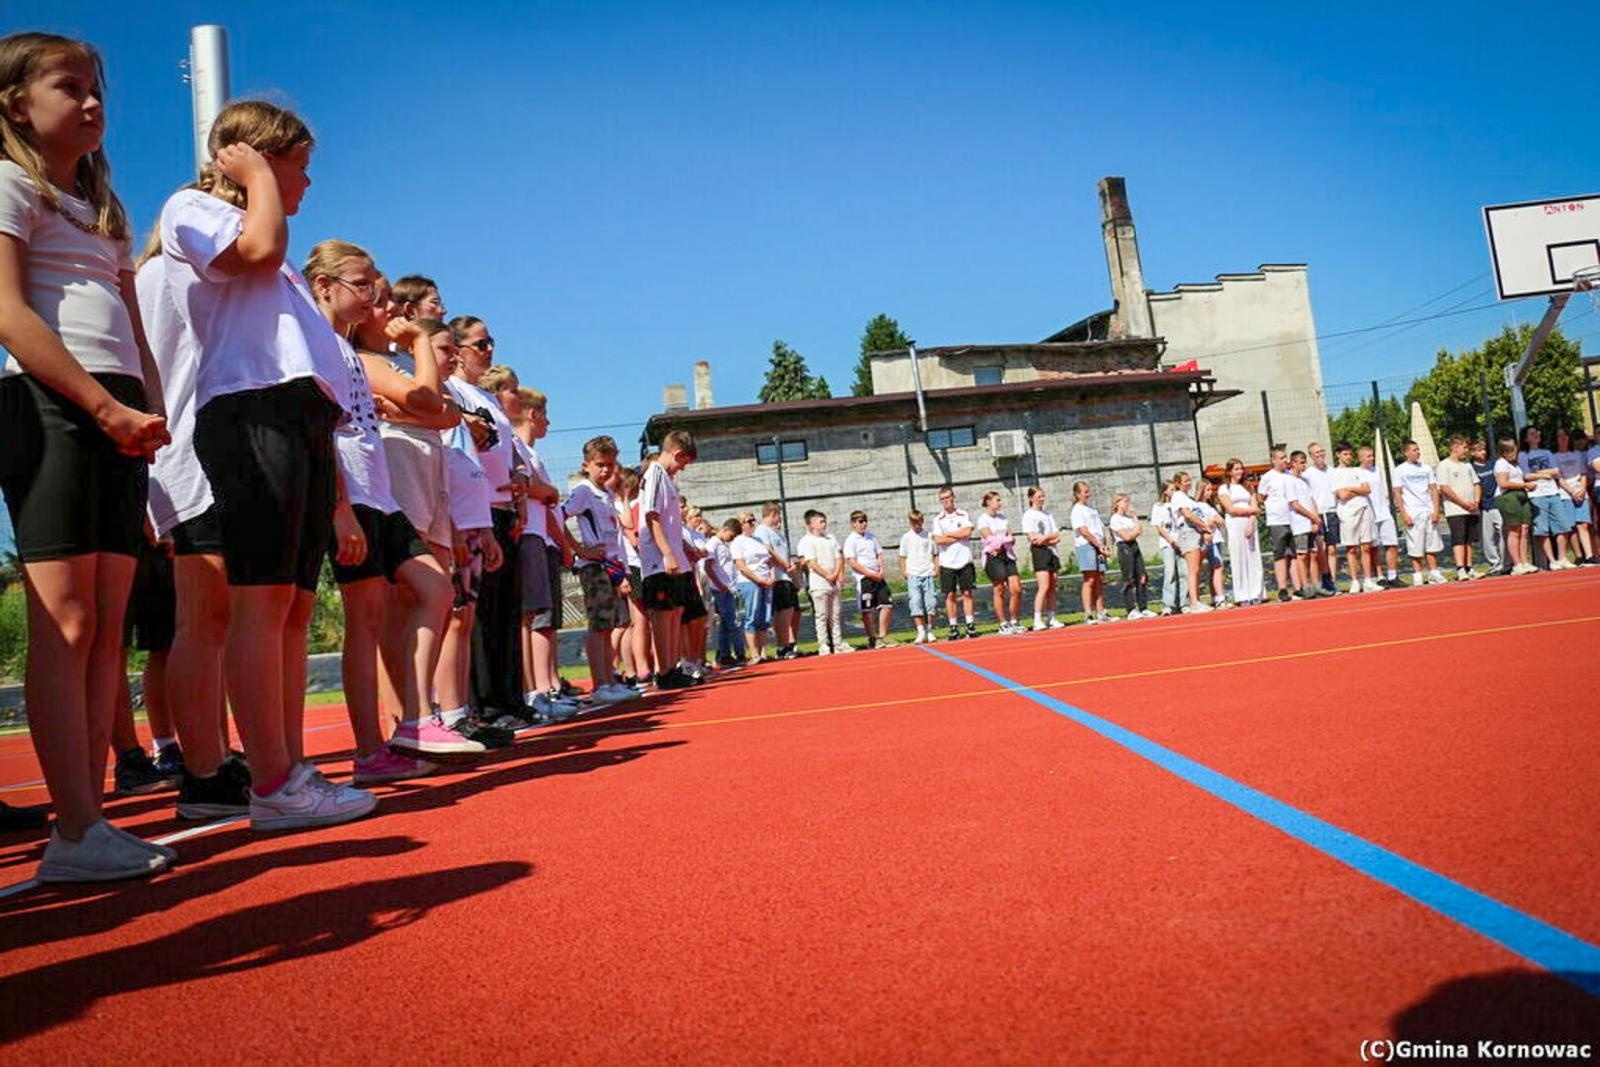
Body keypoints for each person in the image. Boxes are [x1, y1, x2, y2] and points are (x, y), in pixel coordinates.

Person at [159, 98, 374, 832]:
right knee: (258, 602)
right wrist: (256, 181)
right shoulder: (195, 208)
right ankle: (274, 782)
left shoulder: (269, 242)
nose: (307, 184)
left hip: (295, 417)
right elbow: (253, 253)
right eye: (298, 167)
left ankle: (287, 768)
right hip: (251, 411)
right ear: (253, 155)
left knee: (284, 605)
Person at [305, 240, 458, 780]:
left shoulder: (357, 356)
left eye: (383, 291)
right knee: (366, 622)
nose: (380, 301)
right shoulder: (321, 344)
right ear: (327, 287)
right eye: (367, 288)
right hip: (351, 494)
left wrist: (414, 342)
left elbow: (430, 404)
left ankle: (414, 721)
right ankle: (371, 750)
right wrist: (340, 508)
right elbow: (421, 403)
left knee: (437, 589)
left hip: (381, 497)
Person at [136, 237, 242, 816]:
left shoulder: (166, 276)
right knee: (201, 621)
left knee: (212, 621)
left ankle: (217, 758)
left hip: (199, 461)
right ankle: (203, 771)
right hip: (187, 462)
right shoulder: (166, 277)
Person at [447, 317, 529, 722]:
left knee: (505, 612)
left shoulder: (490, 400)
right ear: (458, 350)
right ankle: (482, 705)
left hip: (502, 509)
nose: (489, 350)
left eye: (491, 342)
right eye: (480, 344)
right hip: (473, 510)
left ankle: (511, 698)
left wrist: (519, 478)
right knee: (477, 614)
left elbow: (512, 450)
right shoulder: (452, 392)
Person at [564, 435, 642, 705]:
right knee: (598, 626)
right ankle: (599, 684)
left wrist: (620, 570)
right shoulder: (583, 490)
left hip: (611, 566)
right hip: (593, 566)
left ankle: (610, 678)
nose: (606, 470)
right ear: (587, 465)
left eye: (610, 464)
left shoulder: (607, 493)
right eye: (600, 464)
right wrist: (580, 550)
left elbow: (618, 532)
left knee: (609, 626)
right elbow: (558, 516)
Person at [640, 433, 698, 687]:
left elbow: (670, 522)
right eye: (683, 462)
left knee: (675, 612)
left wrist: (682, 548)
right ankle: (664, 671)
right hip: (658, 560)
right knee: (663, 616)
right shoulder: (654, 473)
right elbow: (651, 516)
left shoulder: (667, 478)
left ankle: (672, 666)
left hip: (673, 557)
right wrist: (666, 553)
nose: (682, 468)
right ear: (676, 454)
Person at [1391, 439, 1446, 586]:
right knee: (1416, 545)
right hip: (1413, 512)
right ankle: (1417, 574)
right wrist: (1404, 514)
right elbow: (1397, 493)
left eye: (1418, 449)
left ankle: (1434, 572)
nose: (1417, 452)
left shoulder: (1426, 468)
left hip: (1428, 510)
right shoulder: (1400, 470)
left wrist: (1436, 510)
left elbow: (1434, 489)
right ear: (1406, 453)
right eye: (1414, 450)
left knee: (1432, 543)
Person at [1519, 426, 1573, 570]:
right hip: (1536, 495)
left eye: (1537, 432)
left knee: (1562, 525)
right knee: (1542, 530)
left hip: (1553, 492)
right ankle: (1552, 561)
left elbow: (1556, 471)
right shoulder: (1523, 455)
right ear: (1526, 438)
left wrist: (1537, 472)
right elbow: (1526, 475)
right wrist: (1543, 475)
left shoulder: (1547, 452)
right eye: (1532, 434)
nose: (1537, 435)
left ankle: (1562, 557)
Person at [797, 509, 849, 654]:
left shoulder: (830, 538)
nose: (824, 524)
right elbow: (811, 563)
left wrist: (837, 574)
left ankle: (837, 643)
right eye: (820, 521)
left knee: (835, 615)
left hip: (834, 582)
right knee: (821, 615)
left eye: (824, 521)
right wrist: (827, 575)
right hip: (819, 583)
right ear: (812, 524)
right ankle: (823, 644)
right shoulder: (808, 541)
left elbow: (839, 557)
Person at [1330, 442, 1380, 594]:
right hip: (1347, 513)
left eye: (1350, 454)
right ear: (1338, 455)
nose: (1348, 457)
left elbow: (1366, 489)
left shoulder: (1358, 470)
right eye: (1345, 454)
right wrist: (1357, 490)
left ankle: (1368, 580)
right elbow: (1342, 495)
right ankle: (1354, 580)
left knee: (1366, 546)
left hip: (1364, 509)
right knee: (1351, 548)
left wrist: (1351, 488)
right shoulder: (1334, 473)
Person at [843, 510, 895, 648]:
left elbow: (879, 554)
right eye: (860, 521)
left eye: (865, 520)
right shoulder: (850, 541)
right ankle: (872, 638)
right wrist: (869, 573)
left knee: (887, 605)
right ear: (853, 524)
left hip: (878, 577)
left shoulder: (871, 537)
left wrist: (881, 569)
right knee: (867, 610)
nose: (863, 524)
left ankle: (883, 636)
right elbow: (852, 562)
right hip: (864, 579)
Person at [754, 503, 800, 658]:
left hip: (785, 576)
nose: (780, 518)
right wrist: (785, 565)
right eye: (778, 514)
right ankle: (782, 646)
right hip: (777, 576)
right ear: (773, 514)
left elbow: (783, 553)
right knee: (782, 611)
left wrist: (791, 569)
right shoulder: (762, 530)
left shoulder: (778, 533)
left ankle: (787, 644)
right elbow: (769, 552)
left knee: (789, 611)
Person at [1256, 447, 1302, 602]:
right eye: (1281, 458)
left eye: (1285, 458)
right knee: (1280, 554)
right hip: (1277, 520)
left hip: (1293, 519)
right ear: (1273, 460)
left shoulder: (1290, 476)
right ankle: (1282, 588)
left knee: (1294, 555)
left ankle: (1298, 587)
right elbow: (1260, 496)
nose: (1285, 461)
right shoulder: (1267, 477)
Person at [931, 487, 977, 639]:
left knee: (967, 592)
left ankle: (970, 624)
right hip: (947, 563)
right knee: (949, 595)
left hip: (964, 560)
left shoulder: (963, 514)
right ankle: (953, 626)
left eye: (947, 497)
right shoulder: (938, 519)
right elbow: (938, 539)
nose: (945, 501)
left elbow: (967, 532)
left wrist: (949, 534)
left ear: (953, 497)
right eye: (942, 499)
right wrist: (958, 536)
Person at [1435, 434, 1481, 582]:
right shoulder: (1444, 465)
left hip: (1471, 509)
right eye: (1464, 447)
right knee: (1459, 538)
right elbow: (1444, 488)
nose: (1466, 450)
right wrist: (1463, 503)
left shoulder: (1467, 466)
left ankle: (1469, 567)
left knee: (1469, 540)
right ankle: (1460, 568)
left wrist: (1476, 501)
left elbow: (1476, 484)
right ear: (1455, 447)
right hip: (1455, 510)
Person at [976, 492, 1024, 634]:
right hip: (993, 557)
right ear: (989, 502)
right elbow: (990, 540)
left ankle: (1014, 621)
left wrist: (1002, 541)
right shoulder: (983, 520)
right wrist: (1003, 540)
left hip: (1007, 555)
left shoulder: (1003, 518)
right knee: (999, 588)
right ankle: (1003, 623)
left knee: (1016, 589)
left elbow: (1011, 538)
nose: (1000, 503)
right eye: (997, 500)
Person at [1219, 460, 1264, 605]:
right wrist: (1250, 511)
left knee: (1253, 555)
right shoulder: (1224, 489)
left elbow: (1255, 506)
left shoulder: (1248, 487)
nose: (1240, 472)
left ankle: (1257, 592)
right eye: (1236, 469)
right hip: (1234, 523)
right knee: (1238, 556)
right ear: (1230, 471)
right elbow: (1231, 509)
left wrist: (1251, 522)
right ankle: (1242, 594)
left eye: (1241, 469)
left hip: (1249, 523)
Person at [732, 512, 775, 662]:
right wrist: (757, 579)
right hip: (748, 582)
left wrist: (771, 576)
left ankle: (763, 651)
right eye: (748, 521)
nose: (752, 524)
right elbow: (741, 565)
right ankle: (754, 652)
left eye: (753, 521)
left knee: (764, 617)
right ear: (741, 524)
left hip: (765, 581)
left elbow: (769, 560)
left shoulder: (759, 540)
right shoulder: (738, 541)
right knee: (750, 616)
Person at [1359, 444, 1403, 587]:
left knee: (1392, 543)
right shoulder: (1357, 472)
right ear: (1361, 458)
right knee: (1373, 547)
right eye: (1368, 456)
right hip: (1370, 514)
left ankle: (1392, 575)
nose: (1371, 458)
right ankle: (1379, 576)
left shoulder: (1378, 470)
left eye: (1372, 455)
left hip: (1384, 512)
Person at [1021, 486, 1063, 630]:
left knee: (1052, 586)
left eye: (1043, 496)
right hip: (1040, 553)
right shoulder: (1028, 515)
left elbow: (1057, 534)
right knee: (1044, 586)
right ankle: (1037, 619)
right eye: (1039, 496)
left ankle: (1051, 617)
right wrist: (1047, 539)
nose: (1042, 499)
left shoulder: (1048, 514)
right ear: (1031, 498)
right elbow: (1033, 538)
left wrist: (1046, 538)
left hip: (1052, 551)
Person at [1069, 480, 1111, 622]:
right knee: (1090, 580)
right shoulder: (1077, 510)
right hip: (1086, 546)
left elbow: (1100, 529)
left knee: (1099, 579)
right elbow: (1084, 531)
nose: (1088, 494)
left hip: (1098, 546)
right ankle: (1088, 613)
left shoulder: (1092, 510)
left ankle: (1101, 611)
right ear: (1077, 494)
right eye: (1085, 492)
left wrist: (1104, 546)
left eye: (1088, 491)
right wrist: (1098, 545)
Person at [1168, 473, 1210, 612]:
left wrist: (1203, 530)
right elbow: (1187, 514)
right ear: (1178, 483)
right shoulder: (1178, 496)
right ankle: (1194, 602)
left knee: (1196, 568)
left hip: (1195, 531)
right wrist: (1204, 526)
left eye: (1189, 480)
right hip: (1188, 531)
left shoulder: (1188, 498)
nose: (1188, 483)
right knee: (1193, 569)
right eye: (1185, 481)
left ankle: (1196, 600)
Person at [1286, 451, 1326, 597]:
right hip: (1299, 525)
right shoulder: (1289, 481)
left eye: (1304, 461)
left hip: (1310, 523)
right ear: (1293, 463)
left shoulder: (1304, 480)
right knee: (1302, 556)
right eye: (1301, 462)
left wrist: (1316, 518)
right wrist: (1311, 517)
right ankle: (1305, 586)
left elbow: (1311, 500)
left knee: (1313, 554)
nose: (1304, 464)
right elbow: (1295, 505)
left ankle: (1316, 585)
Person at [1553, 428, 1595, 564]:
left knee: (1583, 524)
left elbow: (1584, 474)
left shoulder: (1578, 455)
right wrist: (1571, 491)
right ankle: (1578, 555)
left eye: (1565, 435)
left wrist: (1582, 489)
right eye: (1560, 436)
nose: (1563, 438)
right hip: (1565, 494)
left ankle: (1589, 555)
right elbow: (1558, 478)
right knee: (1570, 526)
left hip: (1581, 492)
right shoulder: (1554, 457)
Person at [1494, 437, 1535, 575]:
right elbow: (1503, 483)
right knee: (1514, 530)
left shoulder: (1515, 464)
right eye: (1511, 449)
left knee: (1524, 529)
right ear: (1504, 451)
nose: (1514, 451)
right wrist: (1524, 485)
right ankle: (1516, 564)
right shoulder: (1501, 463)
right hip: (1508, 496)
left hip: (1522, 495)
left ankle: (1524, 562)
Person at [897, 510, 939, 643]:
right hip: (913, 574)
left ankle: (930, 630)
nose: (917, 525)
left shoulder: (929, 536)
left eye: (919, 522)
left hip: (927, 573)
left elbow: (935, 553)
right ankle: (920, 631)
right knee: (915, 602)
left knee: (931, 602)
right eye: (914, 522)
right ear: (910, 522)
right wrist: (904, 572)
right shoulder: (906, 538)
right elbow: (902, 556)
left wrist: (936, 568)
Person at [707, 518, 744, 667]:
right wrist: (719, 584)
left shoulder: (722, 544)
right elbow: (708, 567)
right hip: (720, 589)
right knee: (728, 622)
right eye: (732, 536)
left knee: (729, 622)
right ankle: (725, 654)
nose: (732, 539)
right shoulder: (713, 543)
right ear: (726, 530)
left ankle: (725, 653)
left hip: (728, 588)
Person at [1304, 442, 1340, 593]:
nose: (1319, 455)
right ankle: (1318, 583)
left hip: (1332, 512)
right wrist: (1313, 517)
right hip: (1317, 515)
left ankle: (1331, 581)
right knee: (1318, 551)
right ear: (1311, 456)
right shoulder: (1307, 475)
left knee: (1332, 550)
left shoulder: (1332, 471)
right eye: (1316, 453)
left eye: (1321, 451)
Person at [1108, 494, 1151, 618]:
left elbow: (1139, 531)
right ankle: (1131, 609)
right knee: (1129, 578)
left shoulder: (1128, 518)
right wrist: (1133, 533)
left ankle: (1143, 607)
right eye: (1125, 501)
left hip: (1134, 546)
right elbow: (1126, 536)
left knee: (1142, 576)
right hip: (1124, 547)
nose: (1128, 504)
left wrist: (1134, 516)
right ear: (1117, 503)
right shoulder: (1115, 519)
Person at [1470, 439, 1506, 576]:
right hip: (1483, 507)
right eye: (1479, 450)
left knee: (1503, 532)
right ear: (1473, 453)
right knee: (1487, 538)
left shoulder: (1493, 464)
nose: (1483, 452)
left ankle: (1505, 562)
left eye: (1484, 449)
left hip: (1496, 504)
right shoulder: (1472, 468)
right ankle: (1494, 564)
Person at [1194, 479, 1232, 608]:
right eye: (1207, 490)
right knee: (1217, 566)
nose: (1210, 493)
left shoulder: (1210, 506)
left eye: (1211, 490)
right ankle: (1220, 597)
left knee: (1215, 568)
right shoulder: (1197, 506)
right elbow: (1204, 522)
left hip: (1216, 538)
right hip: (1208, 539)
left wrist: (1214, 520)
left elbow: (1220, 520)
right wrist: (1211, 521)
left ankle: (1216, 596)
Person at [1150, 484, 1187, 615]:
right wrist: (1171, 540)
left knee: (1184, 572)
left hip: (1180, 541)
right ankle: (1168, 604)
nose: (1174, 492)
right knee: (1170, 571)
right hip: (1167, 542)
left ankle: (1183, 603)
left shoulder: (1177, 505)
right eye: (1171, 489)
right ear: (1165, 491)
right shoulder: (1158, 507)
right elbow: (1159, 527)